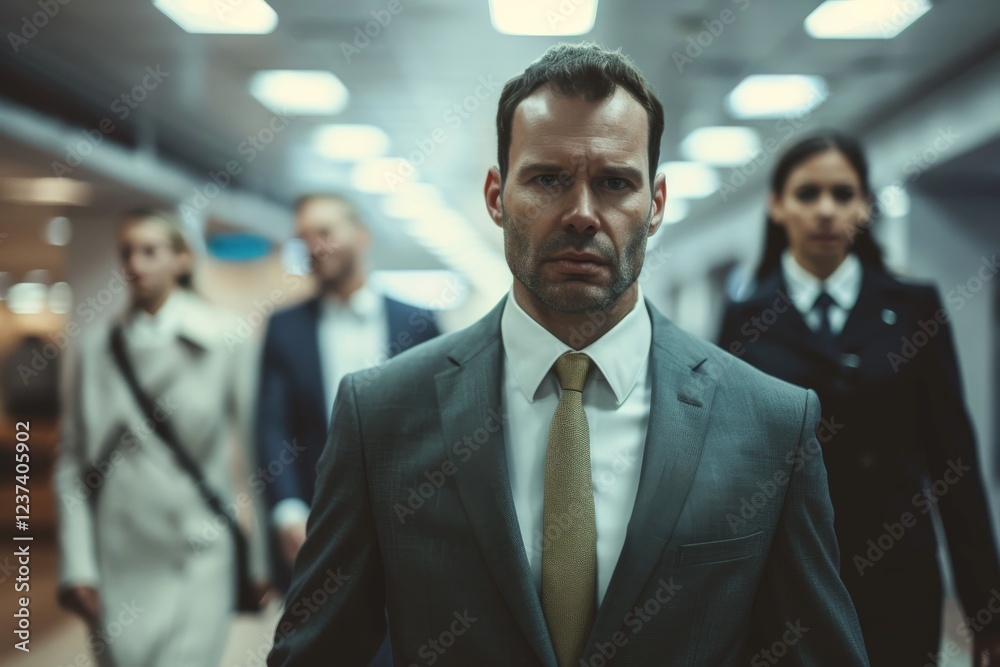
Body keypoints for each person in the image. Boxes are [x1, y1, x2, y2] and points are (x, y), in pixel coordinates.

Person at [267, 43, 868, 666]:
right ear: (497, 196)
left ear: (655, 204)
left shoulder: (769, 424)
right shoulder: (382, 416)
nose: (581, 214)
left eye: (613, 183)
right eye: (548, 179)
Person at [718, 132, 1000, 666]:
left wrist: (985, 604)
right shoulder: (746, 321)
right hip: (786, 578)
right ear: (778, 206)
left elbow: (953, 461)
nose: (826, 210)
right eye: (807, 194)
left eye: (843, 194)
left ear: (866, 206)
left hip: (896, 573)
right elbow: (728, 467)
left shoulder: (913, 308)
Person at [55, 209, 269, 667]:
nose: (135, 264)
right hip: (117, 556)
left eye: (150, 251)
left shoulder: (225, 339)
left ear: (183, 259)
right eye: (127, 252)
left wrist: (260, 561)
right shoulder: (98, 347)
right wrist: (78, 565)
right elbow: (73, 464)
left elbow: (257, 454)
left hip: (199, 551)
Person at [257, 194, 440, 665]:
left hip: (408, 523)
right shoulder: (285, 328)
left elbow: (441, 425)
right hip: (317, 529)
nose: (314, 246)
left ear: (361, 234)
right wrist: (287, 509)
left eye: (325, 232)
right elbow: (273, 424)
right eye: (304, 238)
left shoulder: (418, 322)